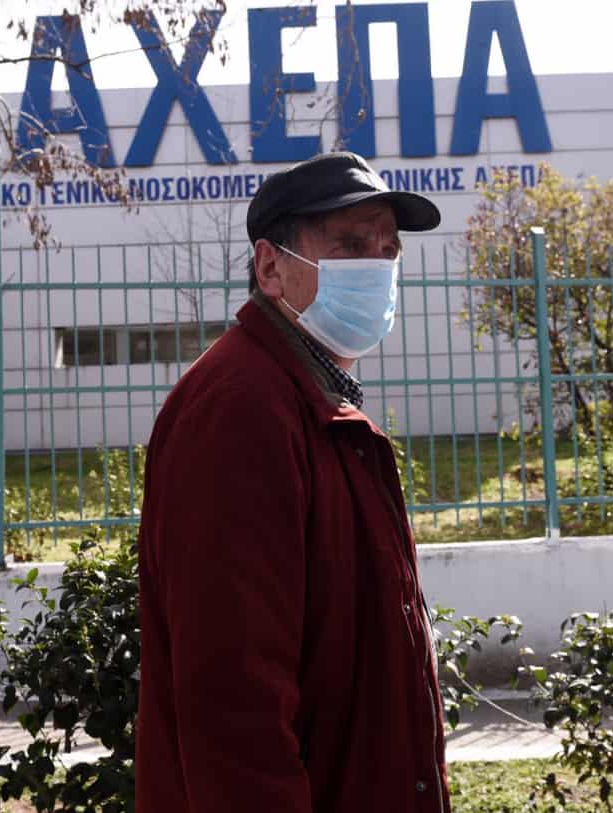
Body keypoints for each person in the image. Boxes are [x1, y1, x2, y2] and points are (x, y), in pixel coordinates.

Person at [135, 152, 450, 812]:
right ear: (271, 268)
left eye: (388, 250)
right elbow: (235, 701)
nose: (378, 267)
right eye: (350, 245)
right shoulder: (241, 410)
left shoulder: (314, 404)